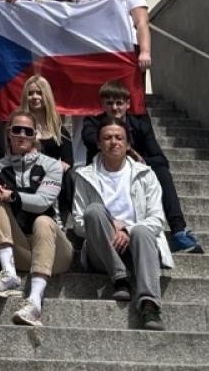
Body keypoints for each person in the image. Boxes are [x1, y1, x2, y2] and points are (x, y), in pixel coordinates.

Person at [70, 118, 172, 330]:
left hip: (138, 248)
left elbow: (157, 219)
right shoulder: (84, 176)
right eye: (107, 138)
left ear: (127, 144)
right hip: (102, 250)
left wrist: (126, 228)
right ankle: (120, 277)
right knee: (93, 211)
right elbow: (79, 223)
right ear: (99, 144)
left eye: (119, 138)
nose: (113, 142)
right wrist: (111, 225)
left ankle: (150, 305)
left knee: (143, 230)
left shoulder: (146, 174)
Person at [81, 78, 201, 253]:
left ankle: (178, 230)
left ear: (128, 104)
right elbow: (90, 139)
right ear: (103, 104)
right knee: (73, 176)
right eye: (110, 103)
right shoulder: (93, 122)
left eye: (119, 103)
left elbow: (161, 159)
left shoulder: (140, 124)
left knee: (161, 172)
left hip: (133, 173)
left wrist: (140, 160)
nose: (115, 108)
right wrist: (124, 149)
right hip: (104, 173)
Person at [0, 110, 74, 326]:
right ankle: (10, 274)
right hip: (21, 248)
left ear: (35, 136)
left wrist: (11, 195)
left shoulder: (51, 165)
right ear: (8, 133)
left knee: (43, 221)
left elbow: (43, 202)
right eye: (16, 130)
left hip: (56, 251)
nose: (22, 135)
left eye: (27, 131)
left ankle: (35, 301)